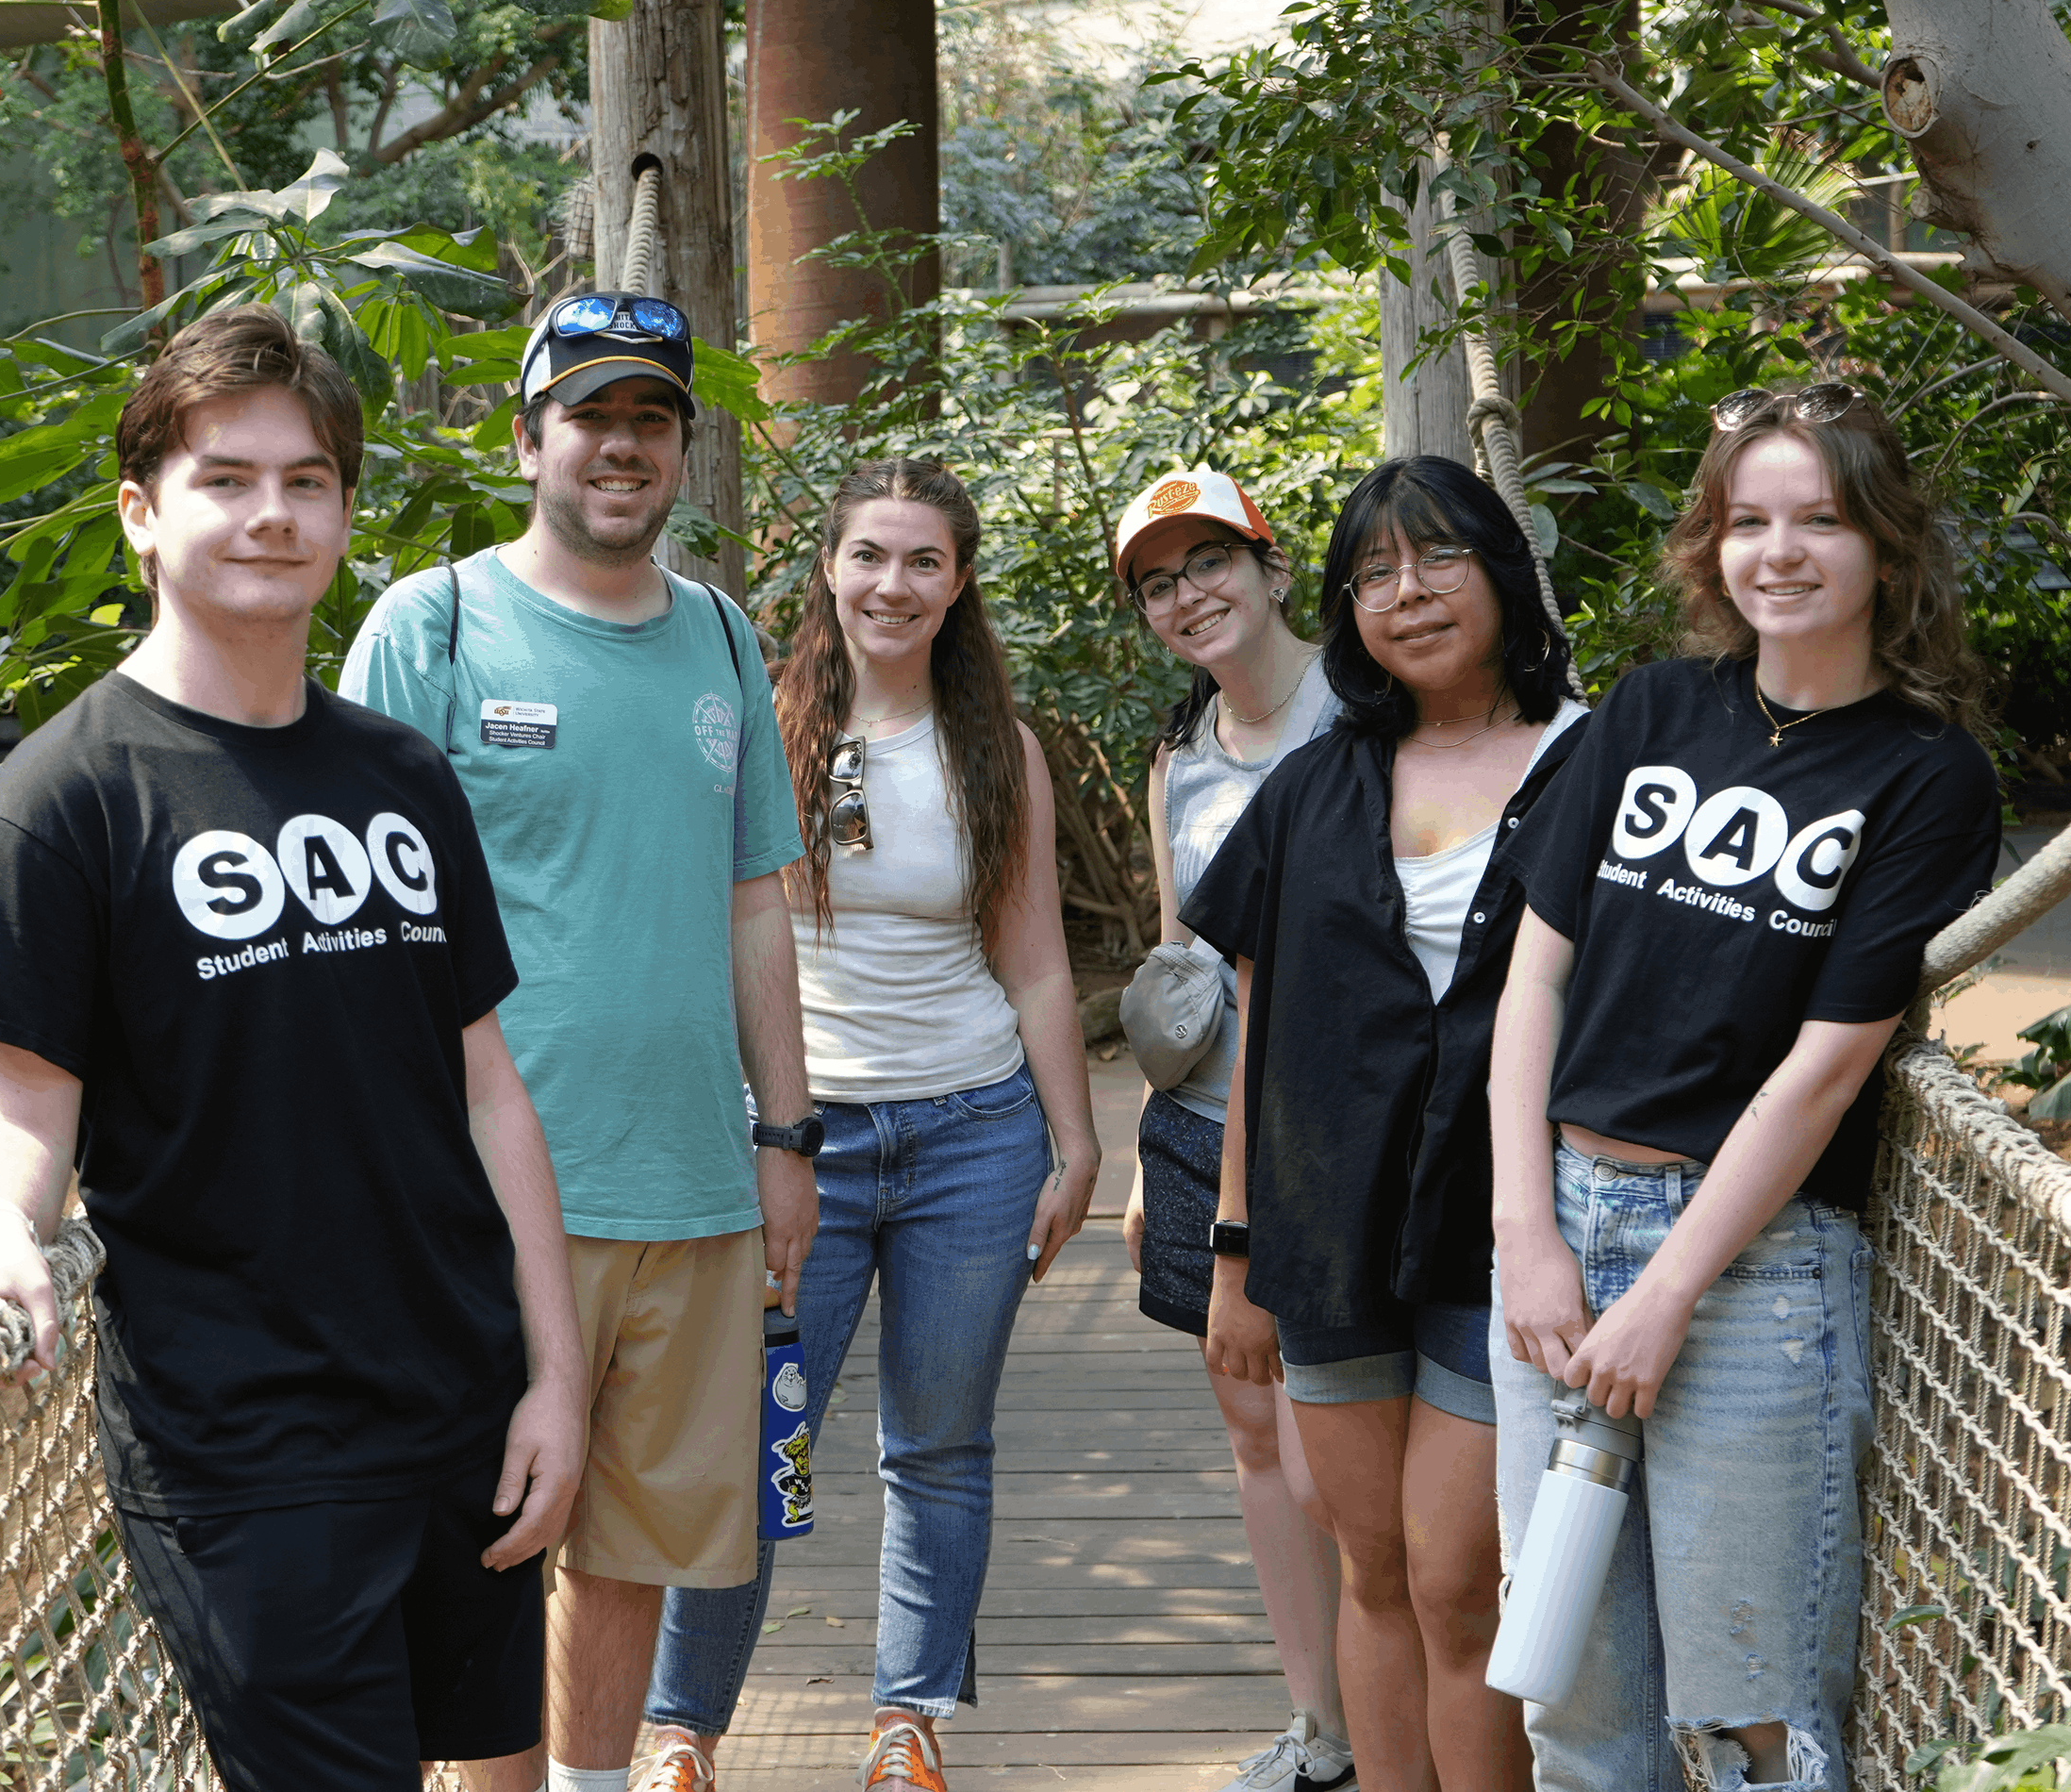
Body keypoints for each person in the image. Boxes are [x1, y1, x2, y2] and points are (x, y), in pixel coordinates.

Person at [0, 307, 586, 1792]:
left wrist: (555, 1380)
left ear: (347, 514)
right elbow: (22, 1110)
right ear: (141, 512)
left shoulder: (405, 778)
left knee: (502, 1768)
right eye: (225, 478)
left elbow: (490, 1089)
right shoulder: (62, 799)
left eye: (306, 480)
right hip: (246, 1452)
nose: (271, 513)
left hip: (461, 1410)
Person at [1486, 382, 1998, 1789]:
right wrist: (1525, 1233)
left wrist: (1668, 1292)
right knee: (1575, 1702)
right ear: (1712, 543)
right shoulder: (1649, 710)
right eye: (1750, 518)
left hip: (1756, 1266)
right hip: (1561, 1230)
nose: (1780, 551)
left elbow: (1826, 1069)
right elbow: (1533, 983)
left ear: (1887, 550)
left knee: (1751, 1719)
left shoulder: (1926, 775)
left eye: (1821, 519)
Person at [339, 291, 818, 1792]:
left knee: (635, 1553)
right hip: (491, 1196)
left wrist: (788, 1136)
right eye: (591, 416)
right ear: (529, 435)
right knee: (495, 1548)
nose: (621, 445)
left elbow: (755, 905)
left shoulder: (727, 639)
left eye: (651, 419)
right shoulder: (436, 626)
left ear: (684, 448)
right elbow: (358, 929)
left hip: (692, 1183)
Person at [639, 456, 1103, 1792]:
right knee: (750, 1433)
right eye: (869, 556)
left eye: (923, 561)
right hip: (800, 1139)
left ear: (958, 585)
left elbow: (1034, 962)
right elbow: (713, 938)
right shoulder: (757, 724)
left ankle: (909, 1718)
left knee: (940, 1440)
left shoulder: (994, 749)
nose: (892, 584)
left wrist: (1076, 1140)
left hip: (971, 1131)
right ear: (827, 571)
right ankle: (684, 1729)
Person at [1188, 456, 1591, 1792]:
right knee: (1371, 1571)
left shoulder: (1594, 764)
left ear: (1503, 572)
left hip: (1510, 1235)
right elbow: (1262, 1021)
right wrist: (1234, 1256)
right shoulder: (1312, 788)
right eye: (1372, 573)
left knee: (1455, 1580)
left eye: (1437, 561)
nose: (1405, 594)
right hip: (1329, 1232)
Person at [1111, 467, 1355, 1792]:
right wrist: (1156, 1145)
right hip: (1205, 1132)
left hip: (1340, 1140)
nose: (1188, 594)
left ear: (1271, 566)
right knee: (1258, 1441)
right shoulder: (1182, 754)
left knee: (1340, 1460)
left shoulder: (1367, 709)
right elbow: (1176, 965)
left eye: (1210, 561)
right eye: (1158, 580)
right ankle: (1321, 1729)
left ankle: (1404, 1720)